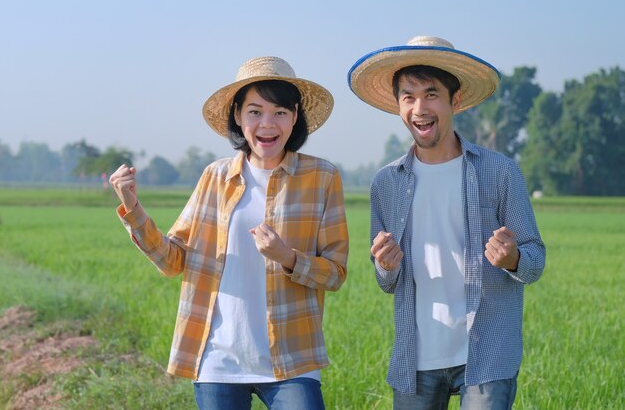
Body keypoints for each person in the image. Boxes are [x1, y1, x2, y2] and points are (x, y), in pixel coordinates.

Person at [109, 56, 348, 410]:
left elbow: (336, 274)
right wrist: (132, 207)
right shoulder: (215, 177)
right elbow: (173, 259)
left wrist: (288, 257)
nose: (267, 124)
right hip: (217, 360)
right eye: (255, 111)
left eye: (280, 112)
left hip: (293, 360)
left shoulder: (322, 177)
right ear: (237, 115)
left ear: (296, 116)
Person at [348, 36, 546, 410]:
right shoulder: (386, 183)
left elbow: (535, 259)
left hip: (487, 352)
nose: (419, 108)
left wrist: (513, 259)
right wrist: (384, 265)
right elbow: (385, 281)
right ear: (398, 106)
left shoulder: (499, 172)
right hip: (417, 358)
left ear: (455, 100)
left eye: (431, 94)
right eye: (408, 96)